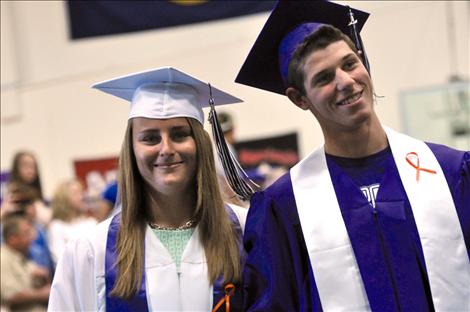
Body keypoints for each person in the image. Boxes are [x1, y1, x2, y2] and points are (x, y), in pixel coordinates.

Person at [236, 1, 469, 311]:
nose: (345, 82)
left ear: (364, 62)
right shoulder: (284, 207)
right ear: (299, 98)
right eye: (323, 78)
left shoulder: (450, 172)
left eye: (349, 64)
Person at [48, 67, 248, 311]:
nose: (166, 149)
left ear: (200, 144)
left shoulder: (247, 231)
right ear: (131, 151)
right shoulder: (92, 253)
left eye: (180, 134)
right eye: (150, 138)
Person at [1, 215, 51, 312]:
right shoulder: (3, 258)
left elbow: (45, 284)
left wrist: (45, 277)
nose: (32, 238)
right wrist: (41, 294)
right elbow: (11, 296)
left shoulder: (24, 257)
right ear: (12, 239)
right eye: (26, 234)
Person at [47, 179, 98, 263]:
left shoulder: (92, 222)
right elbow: (60, 260)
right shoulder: (57, 227)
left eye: (81, 192)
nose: (81, 197)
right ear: (64, 199)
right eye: (75, 194)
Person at [7, 151, 51, 227]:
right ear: (16, 169)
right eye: (25, 166)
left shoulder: (35, 192)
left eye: (33, 166)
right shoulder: (16, 192)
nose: (30, 170)